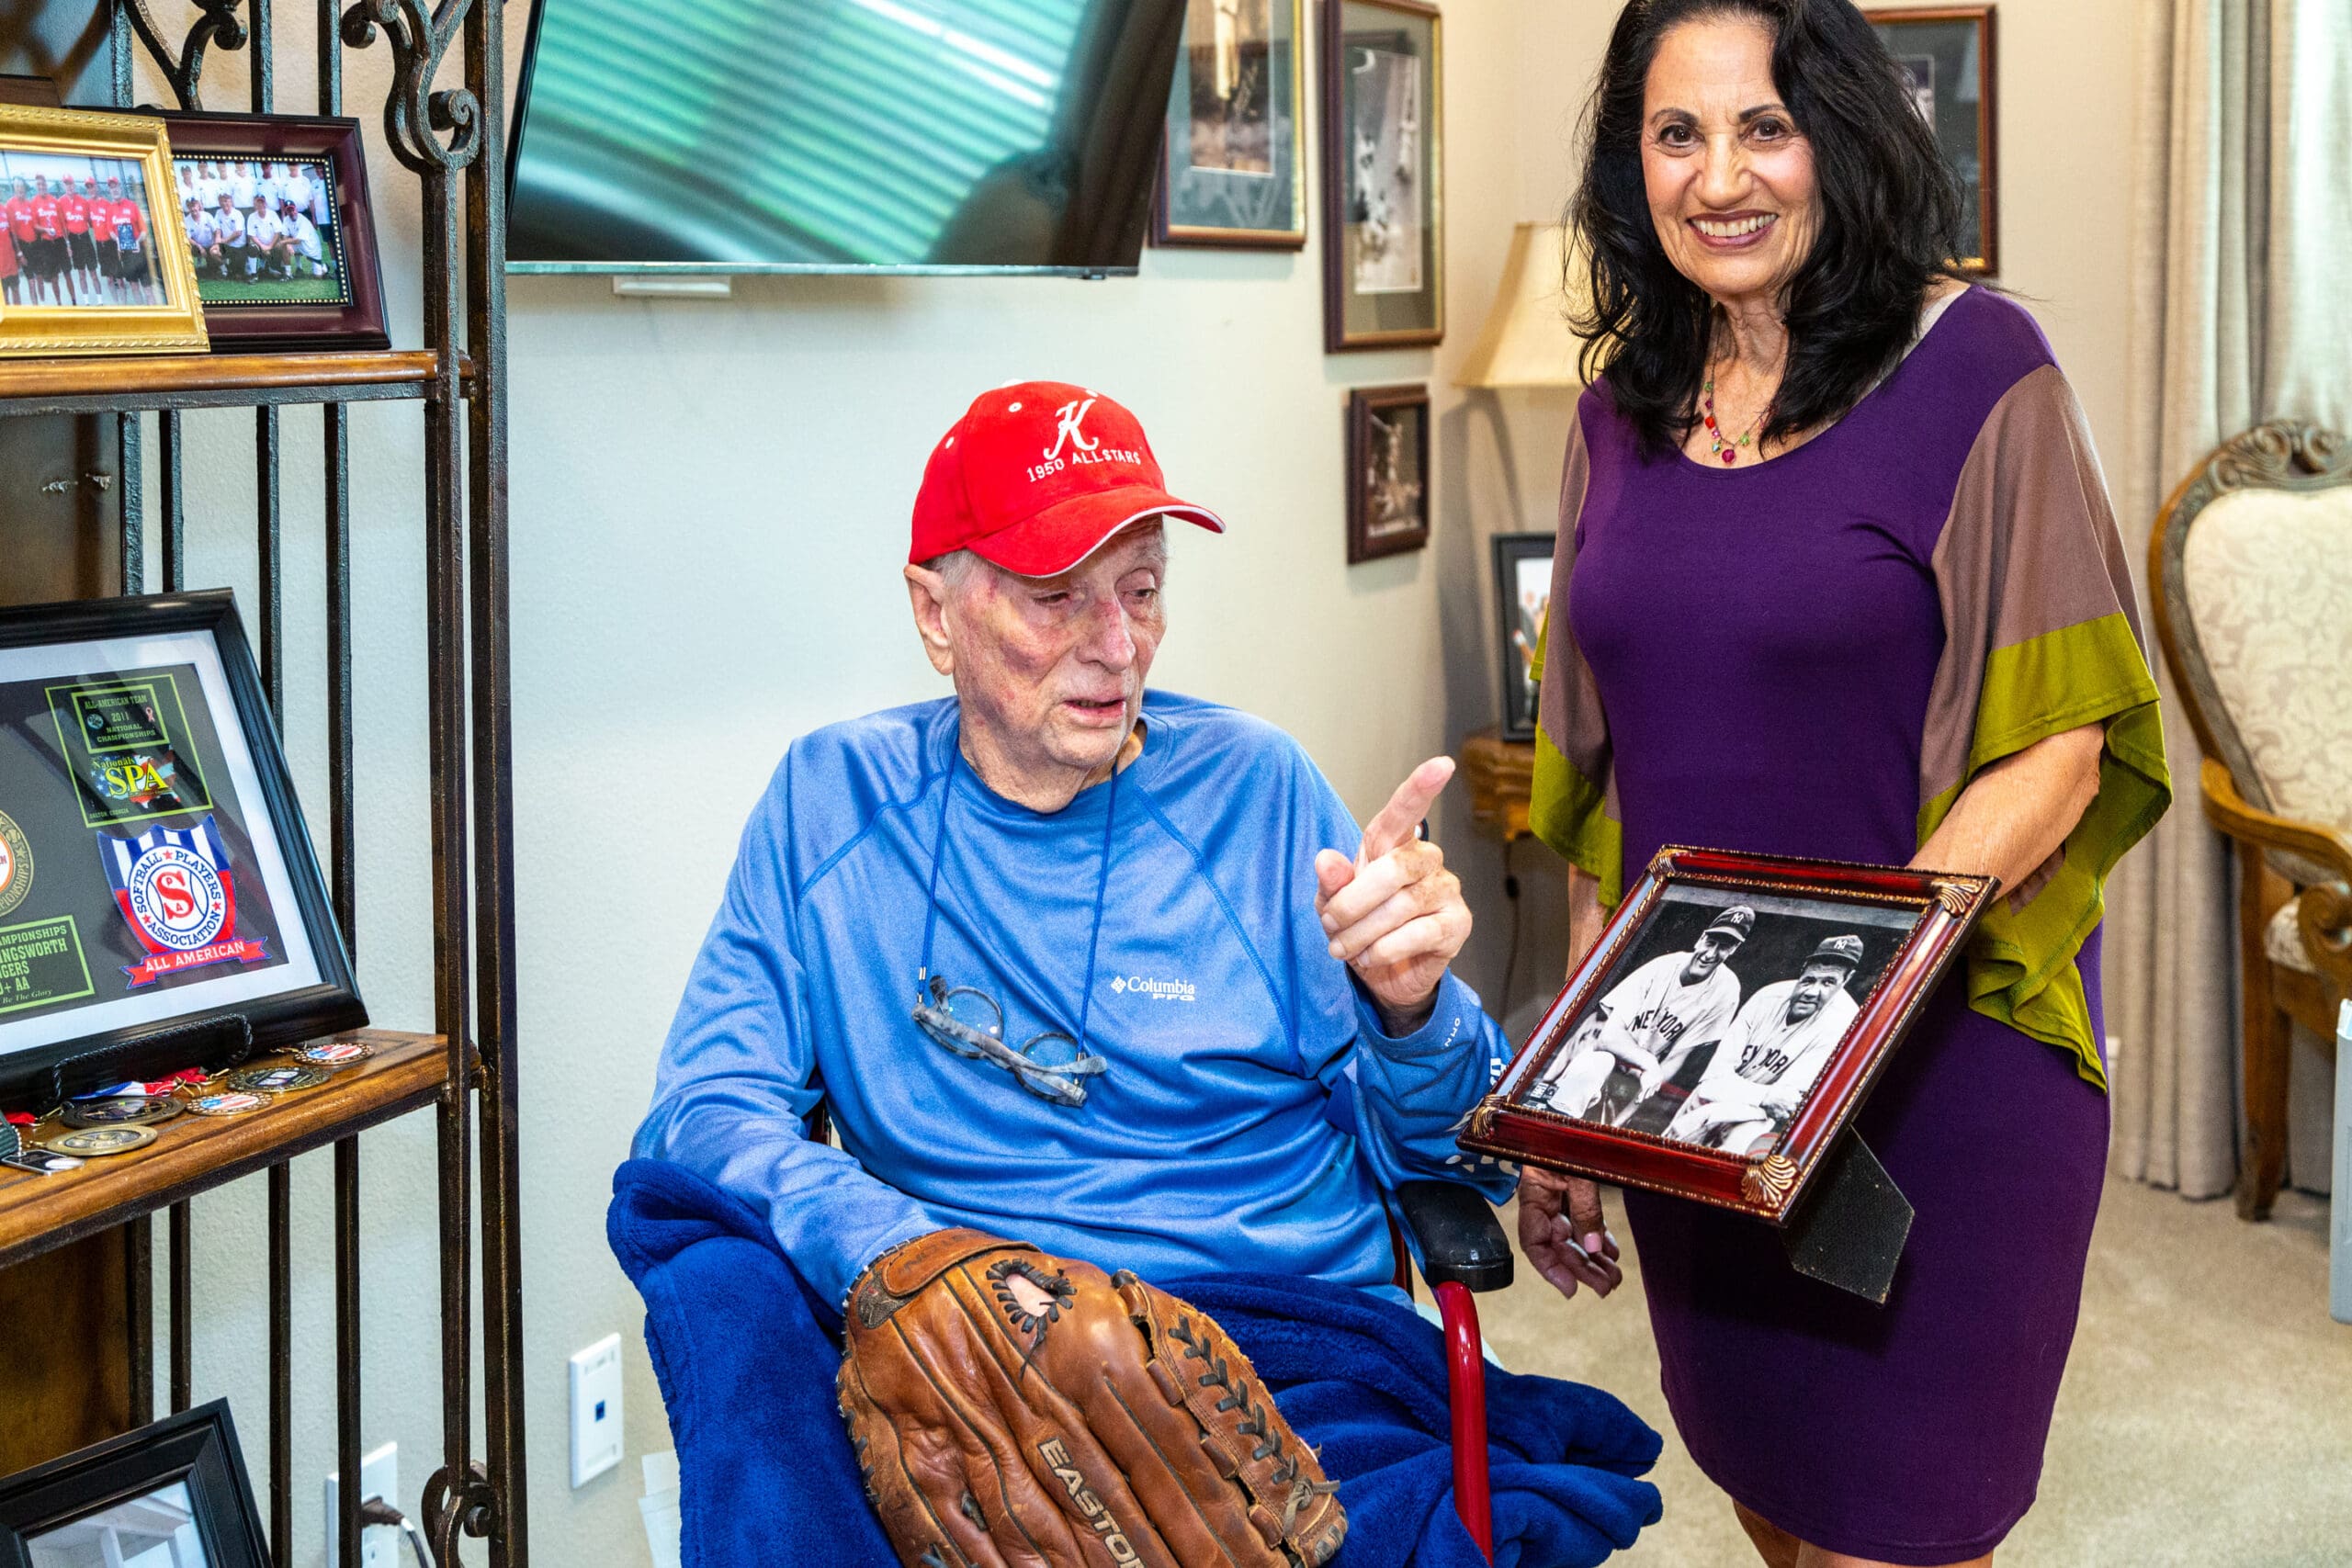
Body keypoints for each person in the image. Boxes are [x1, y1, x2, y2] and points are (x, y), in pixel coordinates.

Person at [1515, 5, 2171, 1566]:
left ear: (1842, 140)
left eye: (1764, 127)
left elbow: (2062, 743)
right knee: (1779, 1501)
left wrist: (1846, 1008)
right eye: (1678, 134)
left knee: (1904, 1524)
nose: (1719, 175)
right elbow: (1602, 798)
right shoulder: (1614, 421)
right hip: (1702, 1090)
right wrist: (1572, 1088)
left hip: (1942, 1079)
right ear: (1633, 164)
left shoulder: (1979, 371)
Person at [637, 379, 1512, 1321]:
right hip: (964, 1338)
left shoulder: (1257, 791)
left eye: (1141, 592)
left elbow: (1456, 1152)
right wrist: (909, 1260)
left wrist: (1412, 1010)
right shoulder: (831, 801)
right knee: (703, 1288)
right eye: (1057, 598)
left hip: (1265, 1328)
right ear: (936, 616)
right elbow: (705, 1112)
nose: (1119, 647)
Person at [1532, 905, 1749, 1122]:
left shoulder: (1726, 991)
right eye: (1711, 942)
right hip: (1596, 1054)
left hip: (1637, 1077)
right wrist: (1650, 1063)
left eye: (1724, 946)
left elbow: (1675, 1059)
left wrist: (1622, 1121)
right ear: (1701, 939)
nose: (1711, 953)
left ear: (1734, 950)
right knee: (1596, 1064)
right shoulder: (1661, 968)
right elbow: (1608, 1037)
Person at [1663, 933, 1862, 1153]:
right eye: (1809, 979)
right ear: (1803, 969)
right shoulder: (1766, 998)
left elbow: (1784, 1107)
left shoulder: (1841, 1024)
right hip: (1710, 1101)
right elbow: (1712, 1081)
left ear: (1847, 979)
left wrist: (1717, 1109)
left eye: (1828, 982)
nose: (1812, 992)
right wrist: (1766, 1096)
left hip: (1757, 1121)